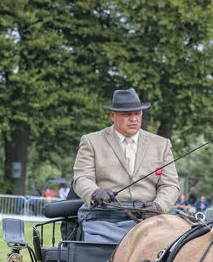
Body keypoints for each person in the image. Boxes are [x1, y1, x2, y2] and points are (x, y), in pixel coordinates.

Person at [73, 88, 180, 241]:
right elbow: (81, 178)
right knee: (98, 251)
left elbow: (170, 185)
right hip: (105, 217)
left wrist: (158, 206)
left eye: (137, 113)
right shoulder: (91, 141)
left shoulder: (161, 144)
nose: (134, 119)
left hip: (149, 218)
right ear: (112, 116)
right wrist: (95, 192)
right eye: (127, 114)